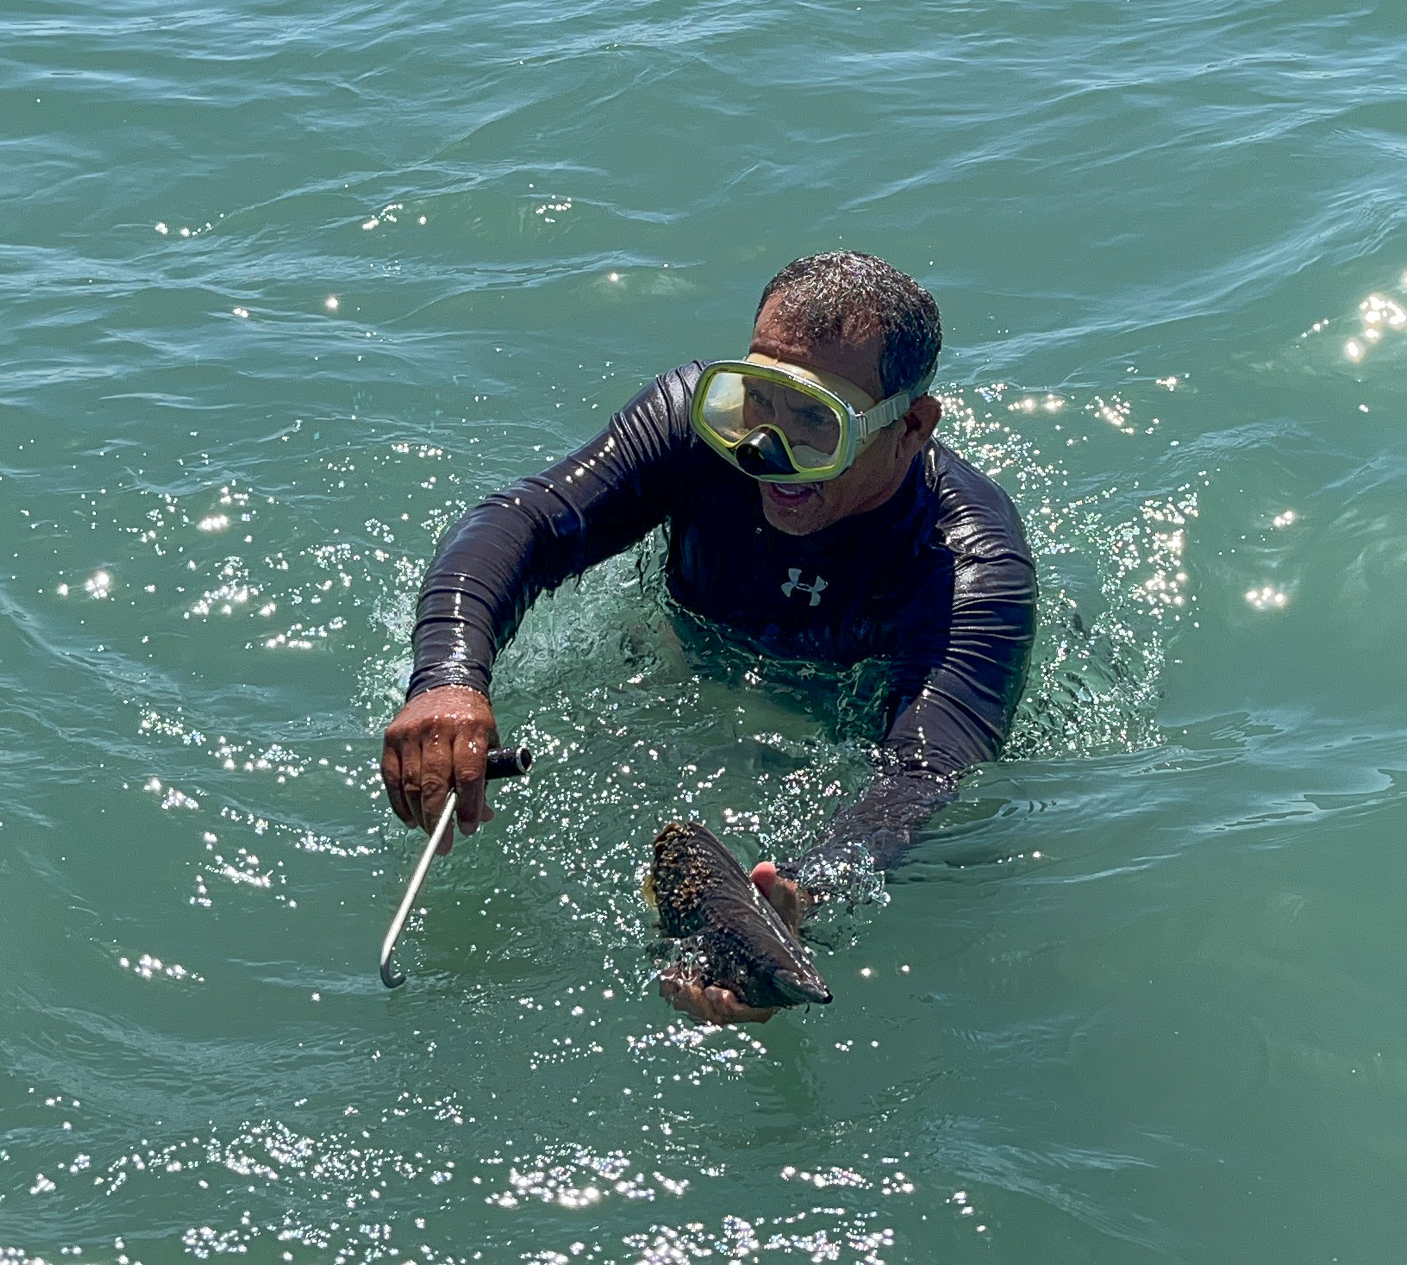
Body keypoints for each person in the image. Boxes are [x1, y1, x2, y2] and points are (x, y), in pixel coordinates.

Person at [379, 251, 1036, 1022]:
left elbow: (920, 774)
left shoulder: (971, 566)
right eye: (757, 399)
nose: (764, 450)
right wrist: (448, 675)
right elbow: (523, 522)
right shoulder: (694, 431)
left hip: (839, 723)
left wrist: (793, 900)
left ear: (912, 426)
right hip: (692, 662)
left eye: (814, 421)